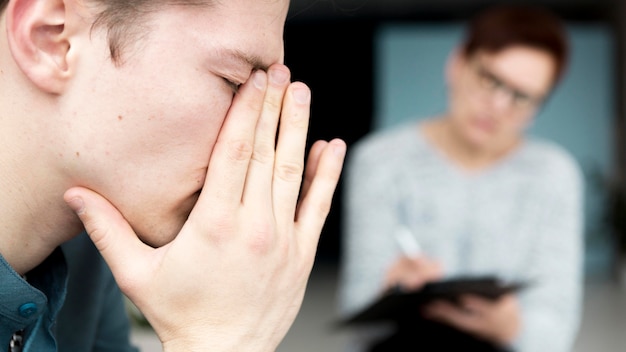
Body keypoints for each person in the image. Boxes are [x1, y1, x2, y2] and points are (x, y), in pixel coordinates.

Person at [0, 0, 347, 351]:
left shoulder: (88, 261)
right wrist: (219, 339)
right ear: (52, 40)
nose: (254, 137)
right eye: (234, 82)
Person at [337, 4, 583, 352]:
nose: (498, 105)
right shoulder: (380, 161)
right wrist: (387, 293)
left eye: (522, 97)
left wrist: (512, 326)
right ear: (457, 64)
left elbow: (556, 326)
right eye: (490, 79)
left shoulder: (554, 174)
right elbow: (355, 316)